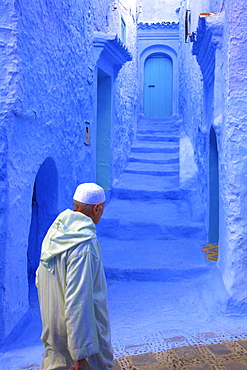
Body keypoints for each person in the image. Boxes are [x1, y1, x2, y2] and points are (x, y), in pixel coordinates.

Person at [36, 183, 113, 370]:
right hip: (79, 347)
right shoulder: (83, 246)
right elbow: (78, 300)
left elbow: (40, 278)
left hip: (55, 334)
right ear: (97, 208)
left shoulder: (55, 233)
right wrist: (81, 353)